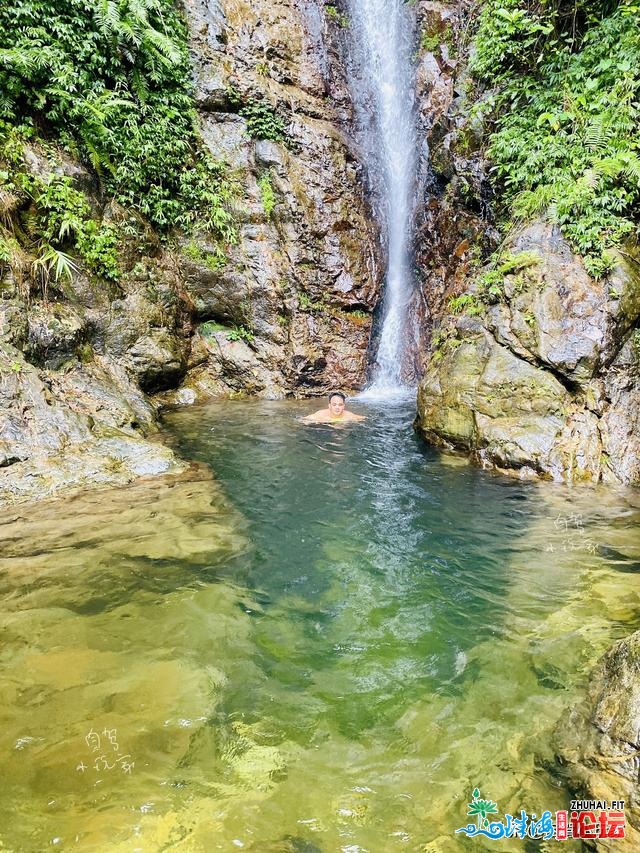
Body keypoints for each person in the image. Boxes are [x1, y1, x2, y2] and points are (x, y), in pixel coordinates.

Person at [302, 391, 366, 424]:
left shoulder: (349, 416)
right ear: (329, 406)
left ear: (344, 406)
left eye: (340, 405)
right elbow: (303, 420)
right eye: (334, 404)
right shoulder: (321, 415)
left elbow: (364, 419)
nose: (337, 407)